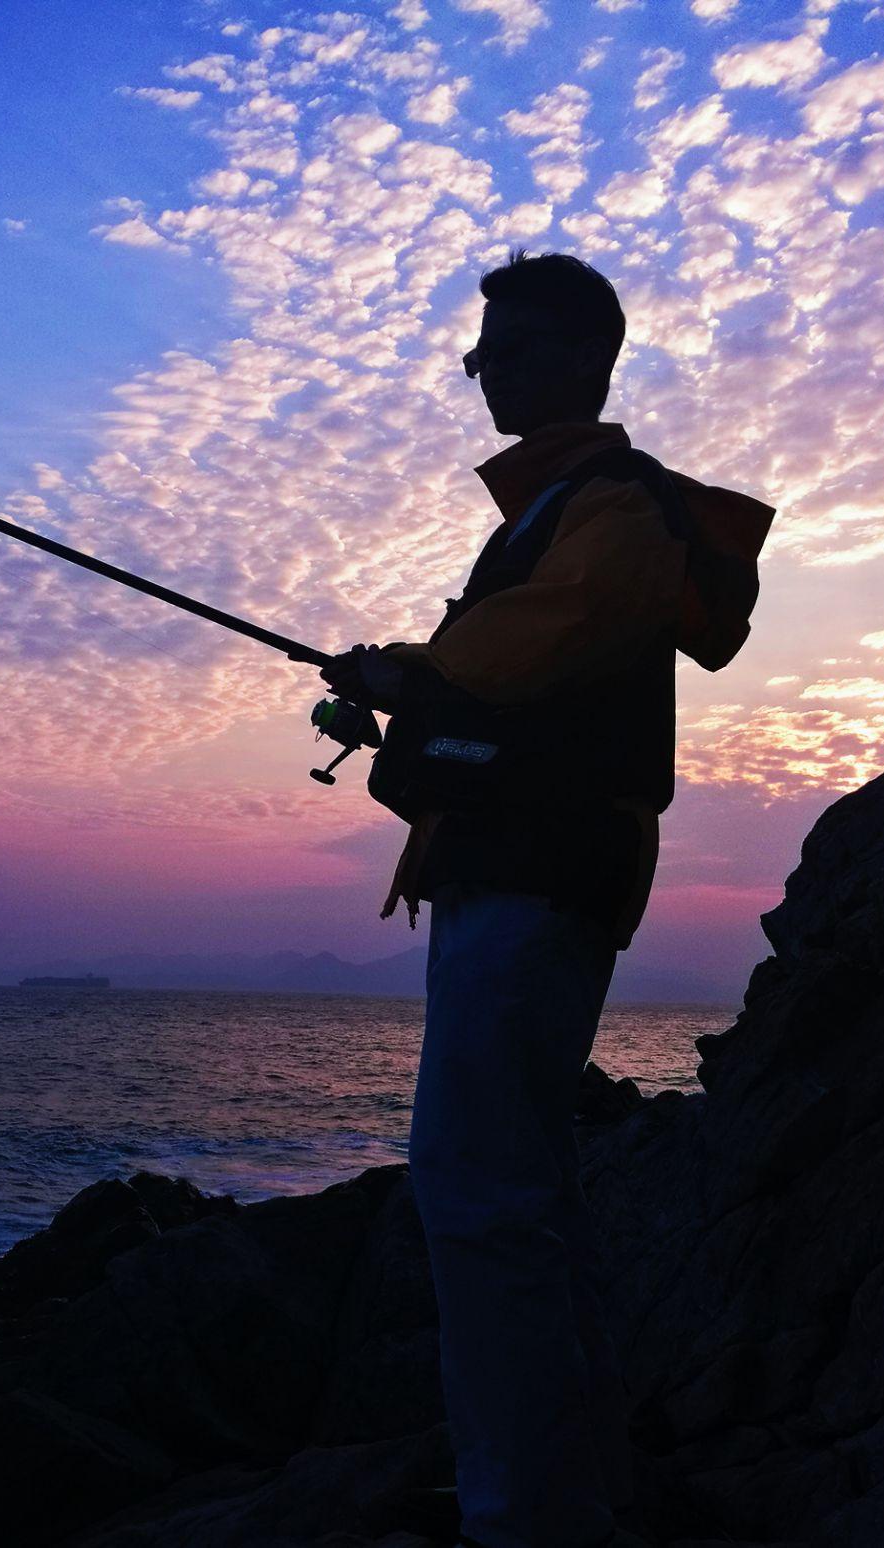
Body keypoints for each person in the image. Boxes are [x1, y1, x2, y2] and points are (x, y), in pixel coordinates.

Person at [323, 251, 774, 1548]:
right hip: (514, 874)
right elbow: (528, 649)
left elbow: (574, 621)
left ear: (586, 356)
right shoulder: (554, 504)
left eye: (510, 350)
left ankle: (524, 1516)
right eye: (481, 356)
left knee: (476, 1194)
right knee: (527, 1192)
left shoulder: (610, 501)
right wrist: (412, 678)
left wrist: (411, 669)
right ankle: (573, 1487)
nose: (487, 374)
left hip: (538, 874)